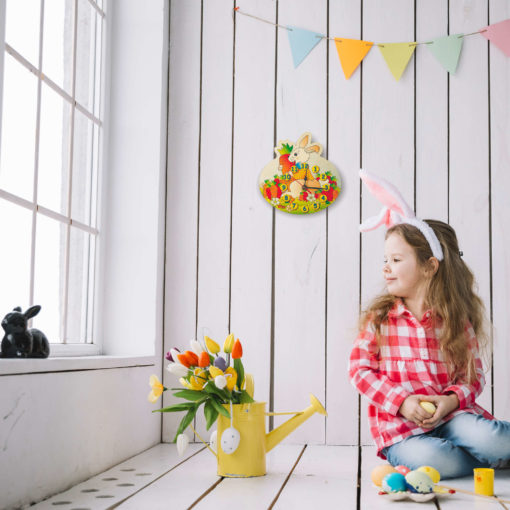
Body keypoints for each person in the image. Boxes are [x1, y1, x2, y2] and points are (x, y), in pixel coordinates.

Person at [349, 170, 510, 479]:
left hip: (453, 417)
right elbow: (359, 370)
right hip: (402, 430)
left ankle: (491, 450)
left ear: (429, 266)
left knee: (493, 438)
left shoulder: (455, 322)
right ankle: (489, 459)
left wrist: (449, 401)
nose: (386, 267)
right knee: (434, 462)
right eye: (385, 259)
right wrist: (403, 401)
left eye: (396, 260)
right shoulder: (380, 320)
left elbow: (472, 379)